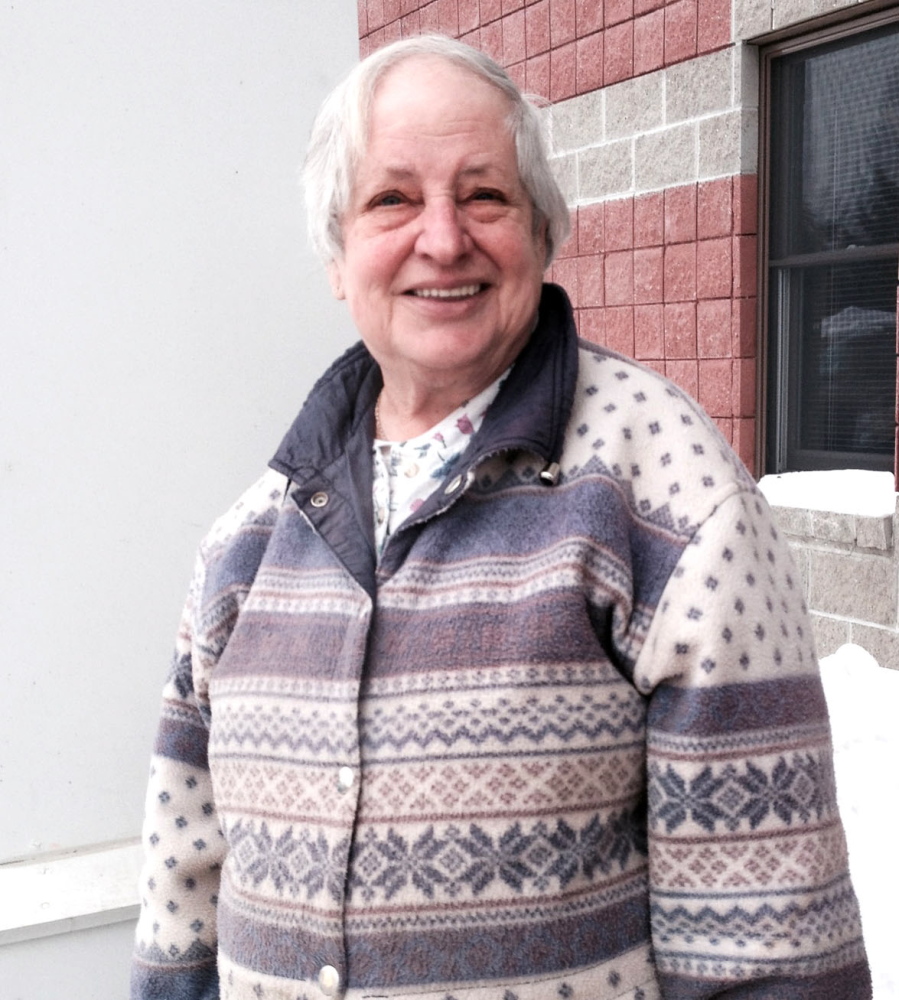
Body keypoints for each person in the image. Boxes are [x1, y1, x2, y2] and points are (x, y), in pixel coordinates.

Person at [131, 34, 871, 1000]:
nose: (442, 239)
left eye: (484, 194)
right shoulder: (248, 539)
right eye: (392, 199)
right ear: (336, 252)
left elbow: (772, 948)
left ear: (542, 232)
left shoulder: (672, 497)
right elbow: (183, 884)